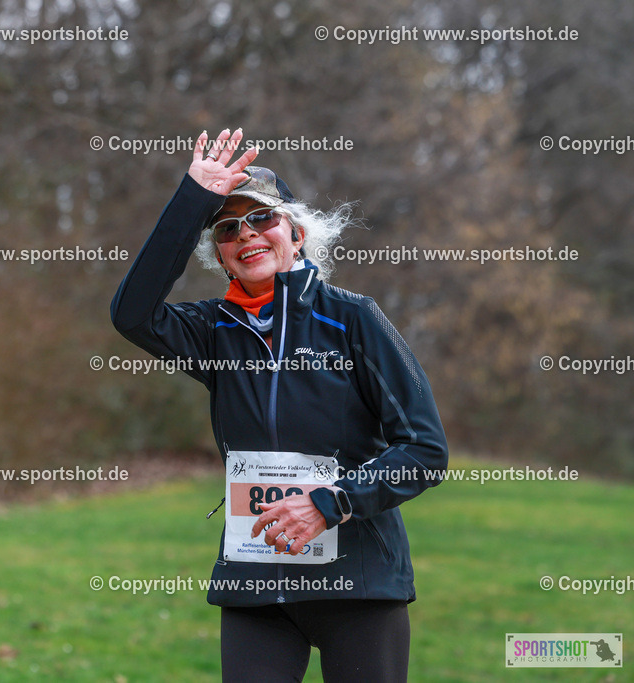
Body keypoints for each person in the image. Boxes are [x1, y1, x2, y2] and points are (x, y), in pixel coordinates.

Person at [110, 129, 449, 682]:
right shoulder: (215, 332)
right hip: (255, 580)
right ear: (220, 256)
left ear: (296, 233)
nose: (245, 234)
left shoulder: (354, 319)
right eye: (226, 228)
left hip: (357, 580)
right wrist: (192, 198)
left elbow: (425, 450)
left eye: (262, 219)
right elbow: (131, 315)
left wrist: (330, 501)